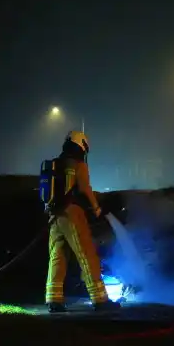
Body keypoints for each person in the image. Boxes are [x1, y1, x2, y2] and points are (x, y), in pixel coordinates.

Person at [43, 130, 120, 313]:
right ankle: (100, 300)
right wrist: (96, 207)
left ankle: (54, 299)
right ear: (82, 146)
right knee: (87, 255)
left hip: (54, 215)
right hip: (72, 214)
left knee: (57, 256)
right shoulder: (79, 165)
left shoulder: (56, 163)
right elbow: (85, 188)